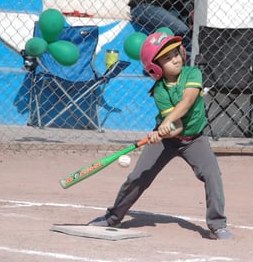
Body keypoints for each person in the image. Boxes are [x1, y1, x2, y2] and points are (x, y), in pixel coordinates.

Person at [88, 32, 233, 240]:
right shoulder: (160, 91)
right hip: (168, 139)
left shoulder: (192, 74)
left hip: (195, 139)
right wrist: (161, 132)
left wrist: (166, 123)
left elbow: (188, 101)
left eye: (175, 53)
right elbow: (177, 127)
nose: (175, 59)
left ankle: (217, 224)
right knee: (138, 177)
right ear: (156, 68)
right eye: (166, 58)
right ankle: (113, 217)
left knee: (212, 175)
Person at [128, 0, 194, 51]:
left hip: (169, 7)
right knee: (183, 30)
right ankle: (189, 60)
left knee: (191, 31)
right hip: (145, 4)